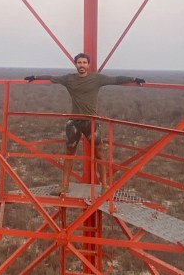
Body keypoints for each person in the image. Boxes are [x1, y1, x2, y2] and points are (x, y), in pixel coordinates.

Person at [25, 53, 144, 193]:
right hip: (74, 121)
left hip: (91, 121)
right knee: (69, 154)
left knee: (99, 153)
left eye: (84, 63)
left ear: (88, 65)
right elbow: (51, 77)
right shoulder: (69, 79)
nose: (82, 65)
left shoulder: (96, 78)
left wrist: (134, 79)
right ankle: (64, 185)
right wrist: (35, 77)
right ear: (76, 64)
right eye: (79, 63)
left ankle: (105, 186)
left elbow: (116, 79)